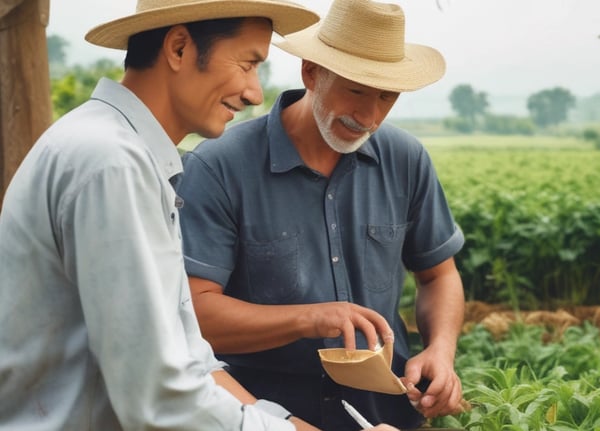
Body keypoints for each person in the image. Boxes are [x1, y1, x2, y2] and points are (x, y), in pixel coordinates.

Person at [0, 1, 396, 430]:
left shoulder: (129, 156)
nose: (254, 94)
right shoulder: (112, 164)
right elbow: (160, 398)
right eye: (248, 64)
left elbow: (190, 361)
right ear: (179, 48)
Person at [177, 0, 467, 429]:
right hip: (264, 415)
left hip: (386, 413)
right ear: (311, 72)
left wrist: (440, 350)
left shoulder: (406, 158)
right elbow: (193, 316)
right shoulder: (219, 166)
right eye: (356, 91)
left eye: (386, 97)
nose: (368, 116)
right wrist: (310, 318)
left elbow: (439, 275)